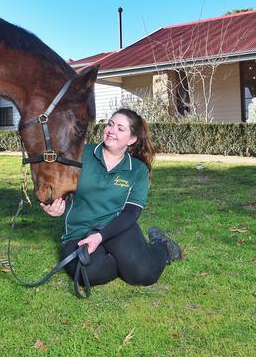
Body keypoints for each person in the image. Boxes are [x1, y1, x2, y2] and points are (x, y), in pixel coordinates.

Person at [41, 108, 182, 287]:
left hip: (116, 228)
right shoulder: (80, 154)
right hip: (79, 231)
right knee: (88, 274)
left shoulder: (137, 170)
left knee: (143, 274)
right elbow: (54, 189)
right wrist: (51, 205)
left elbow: (131, 212)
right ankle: (125, 260)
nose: (111, 130)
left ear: (132, 139)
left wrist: (101, 237)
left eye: (120, 128)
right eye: (110, 124)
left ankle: (163, 247)